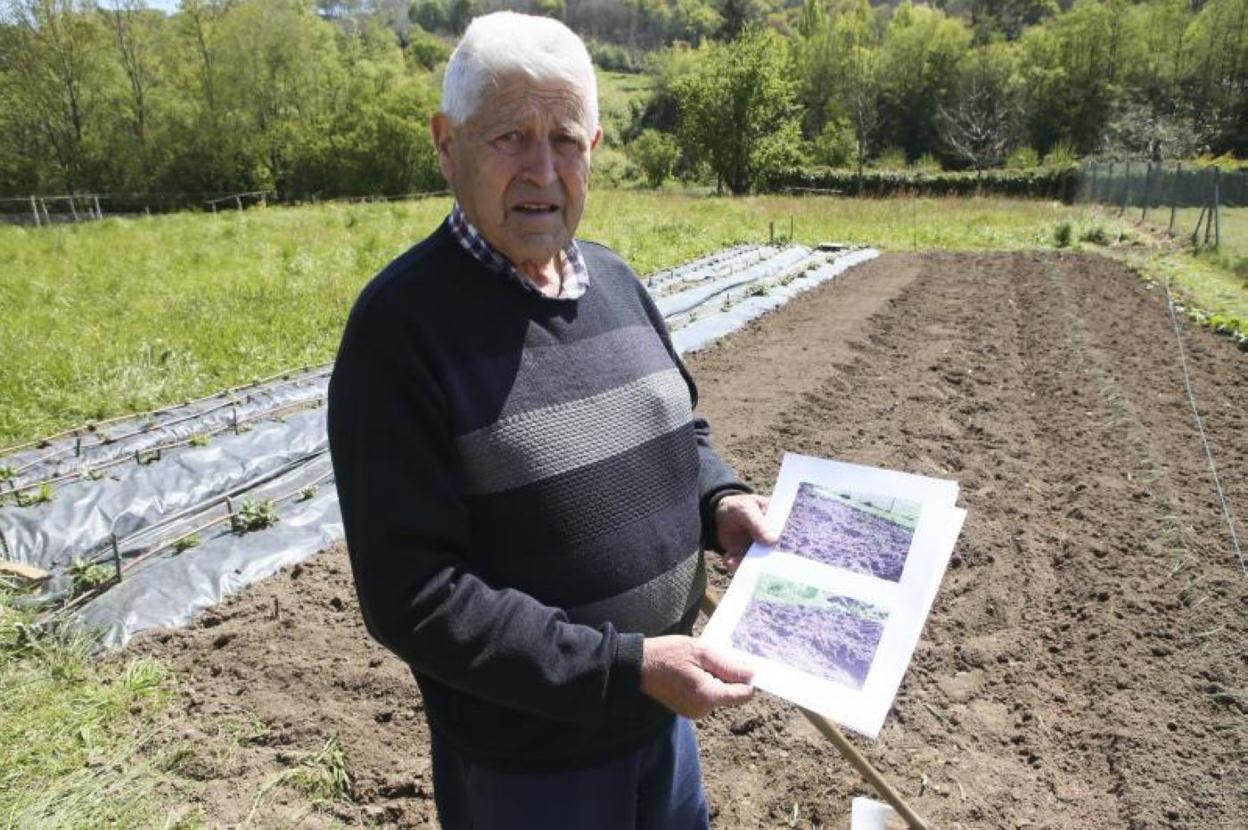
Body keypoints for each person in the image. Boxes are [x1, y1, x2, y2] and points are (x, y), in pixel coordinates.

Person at [326, 11, 776, 828]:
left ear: (594, 149)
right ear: (445, 142)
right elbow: (412, 593)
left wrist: (721, 502)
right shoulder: (400, 330)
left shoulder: (616, 281)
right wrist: (623, 666)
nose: (542, 170)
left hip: (663, 729)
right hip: (530, 775)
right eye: (508, 137)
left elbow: (678, 429)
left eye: (565, 139)